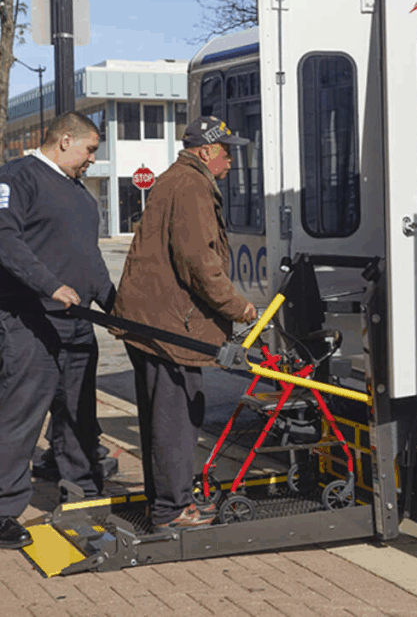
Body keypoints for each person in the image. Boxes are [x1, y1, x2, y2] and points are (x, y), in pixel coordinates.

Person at [112, 115, 258, 530]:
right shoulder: (191, 184)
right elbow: (198, 262)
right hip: (168, 326)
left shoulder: (179, 180)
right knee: (175, 418)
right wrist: (237, 307)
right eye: (227, 151)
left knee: (166, 415)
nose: (231, 160)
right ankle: (170, 511)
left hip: (157, 321)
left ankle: (169, 502)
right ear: (207, 151)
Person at [0, 112, 115, 549]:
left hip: (78, 327)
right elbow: (5, 241)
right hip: (29, 322)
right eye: (89, 150)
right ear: (65, 140)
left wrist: (113, 303)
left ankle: (82, 492)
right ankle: (3, 510)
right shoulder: (17, 179)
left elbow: (91, 261)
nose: (91, 160)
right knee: (19, 417)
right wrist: (50, 284)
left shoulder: (82, 197)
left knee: (79, 417)